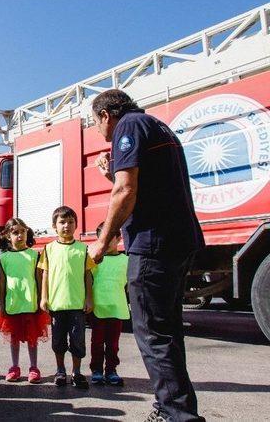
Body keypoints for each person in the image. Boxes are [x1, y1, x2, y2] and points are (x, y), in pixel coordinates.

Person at [88, 89, 205, 422]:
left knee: (153, 335)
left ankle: (177, 415)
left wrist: (102, 241)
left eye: (95, 123)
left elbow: (125, 191)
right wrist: (111, 175)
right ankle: (169, 406)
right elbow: (147, 189)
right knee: (167, 334)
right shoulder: (157, 126)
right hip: (179, 242)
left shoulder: (128, 126)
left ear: (106, 115)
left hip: (153, 245)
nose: (99, 130)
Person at [39, 206, 94, 389]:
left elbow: (88, 275)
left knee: (78, 341)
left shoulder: (82, 249)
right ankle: (60, 370)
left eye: (71, 222)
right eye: (62, 222)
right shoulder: (48, 249)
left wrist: (89, 298)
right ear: (54, 226)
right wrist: (44, 298)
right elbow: (45, 274)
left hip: (77, 304)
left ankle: (77, 372)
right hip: (57, 304)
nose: (67, 226)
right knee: (58, 341)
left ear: (76, 225)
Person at [0, 218, 51, 383]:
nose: (20, 235)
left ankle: (34, 368)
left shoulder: (34, 255)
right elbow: (2, 283)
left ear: (27, 233)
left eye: (23, 232)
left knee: (32, 338)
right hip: (13, 304)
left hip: (31, 304)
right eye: (15, 232)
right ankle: (15, 367)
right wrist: (2, 304)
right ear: (7, 236)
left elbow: (39, 279)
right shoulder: (3, 258)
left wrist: (42, 300)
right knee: (14, 338)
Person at [89, 222, 129, 387]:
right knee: (97, 342)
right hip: (98, 308)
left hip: (116, 308)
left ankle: (111, 371)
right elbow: (87, 281)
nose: (105, 242)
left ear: (119, 238)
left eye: (109, 238)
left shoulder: (126, 260)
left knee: (113, 344)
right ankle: (96, 371)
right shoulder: (95, 261)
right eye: (101, 238)